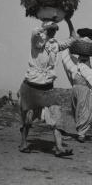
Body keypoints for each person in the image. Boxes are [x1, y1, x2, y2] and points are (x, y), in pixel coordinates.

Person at [18, 18, 76, 156]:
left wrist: (68, 20)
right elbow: (34, 32)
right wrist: (44, 26)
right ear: (45, 30)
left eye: (55, 30)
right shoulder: (37, 41)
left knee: (57, 115)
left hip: (47, 89)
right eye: (51, 29)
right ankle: (23, 143)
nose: (54, 32)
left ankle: (59, 147)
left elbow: (73, 38)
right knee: (28, 118)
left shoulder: (55, 45)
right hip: (31, 87)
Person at [62, 50, 92, 142]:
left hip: (75, 90)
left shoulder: (75, 67)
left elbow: (66, 60)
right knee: (86, 112)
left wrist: (68, 49)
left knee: (78, 110)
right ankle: (81, 133)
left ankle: (81, 132)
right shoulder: (88, 70)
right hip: (83, 91)